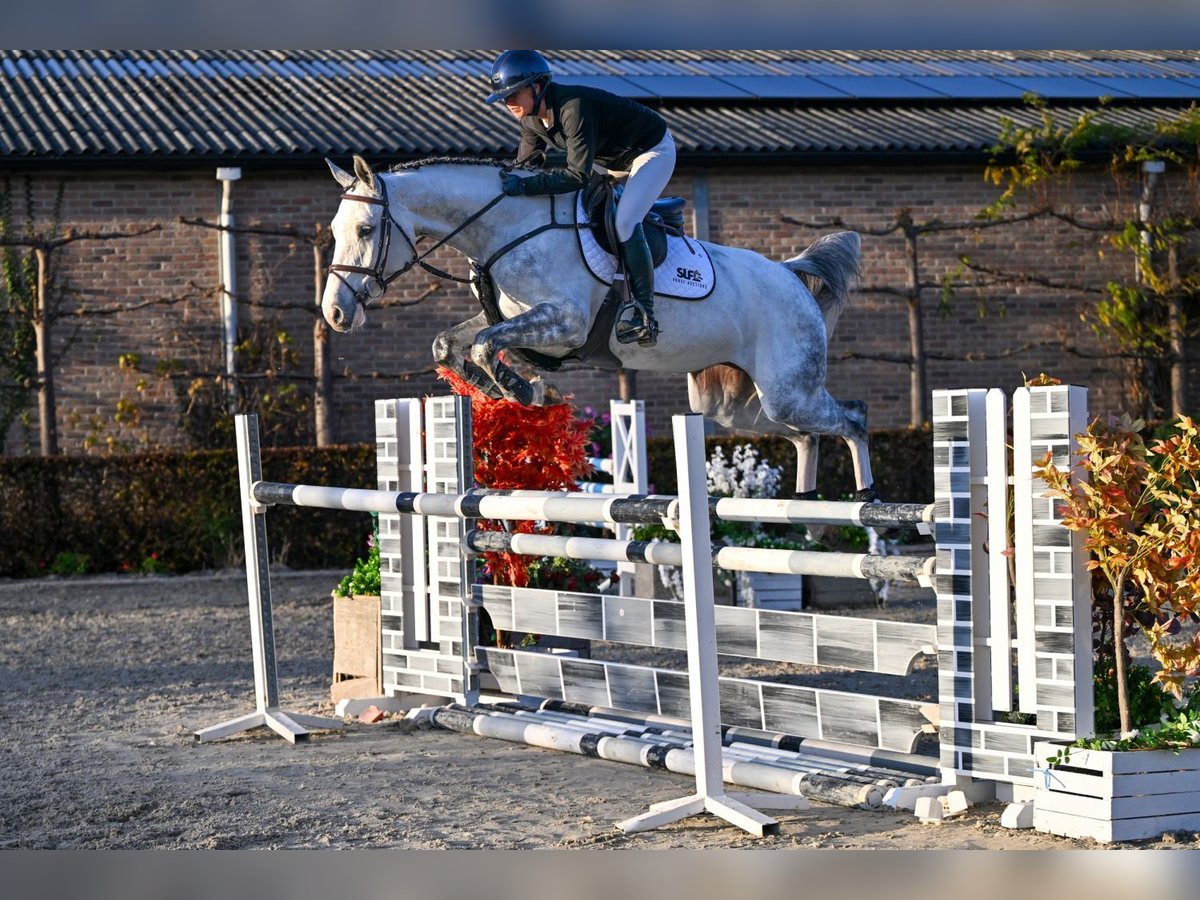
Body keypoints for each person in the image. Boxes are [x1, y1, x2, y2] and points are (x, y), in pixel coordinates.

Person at [485, 49, 676, 347]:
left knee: (625, 222)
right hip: (610, 160)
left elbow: (577, 176)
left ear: (536, 87)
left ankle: (644, 315)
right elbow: (524, 168)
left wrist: (523, 188)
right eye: (503, 97)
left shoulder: (574, 108)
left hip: (651, 152)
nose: (507, 103)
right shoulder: (531, 120)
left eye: (513, 94)